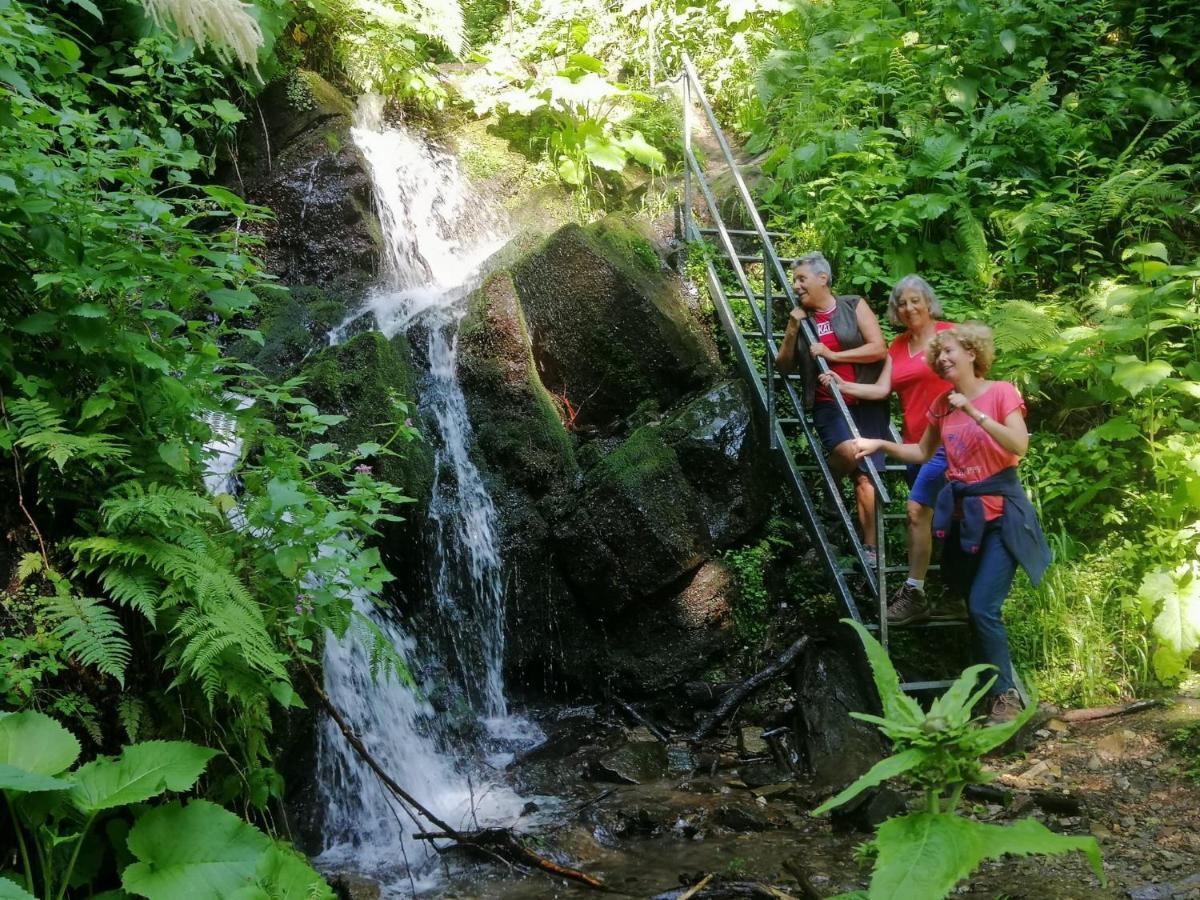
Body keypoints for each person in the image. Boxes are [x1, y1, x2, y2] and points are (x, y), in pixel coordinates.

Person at [852, 323, 1051, 723]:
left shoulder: (1000, 393)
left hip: (1001, 516)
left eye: (950, 352)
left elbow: (1020, 446)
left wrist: (973, 412)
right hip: (962, 520)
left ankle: (1007, 698)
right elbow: (923, 453)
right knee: (967, 603)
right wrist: (880, 444)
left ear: (973, 354)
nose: (942, 359)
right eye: (938, 355)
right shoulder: (942, 404)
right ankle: (986, 689)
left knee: (982, 607)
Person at [818, 275, 954, 622]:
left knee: (920, 513)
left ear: (928, 302)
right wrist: (843, 382)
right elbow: (880, 390)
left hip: (952, 441)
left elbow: (977, 376)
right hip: (915, 444)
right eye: (901, 304)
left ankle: (917, 592)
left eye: (914, 301)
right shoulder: (897, 346)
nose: (909, 309)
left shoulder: (951, 335)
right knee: (936, 519)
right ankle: (945, 592)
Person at [775, 252, 889, 566]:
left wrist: (831, 355)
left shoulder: (853, 305)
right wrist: (792, 326)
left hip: (867, 402)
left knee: (866, 479)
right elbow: (783, 366)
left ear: (822, 279)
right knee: (851, 450)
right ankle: (830, 481)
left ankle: (871, 550)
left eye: (802, 279)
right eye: (795, 281)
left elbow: (878, 348)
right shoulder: (802, 319)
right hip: (829, 406)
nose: (796, 286)